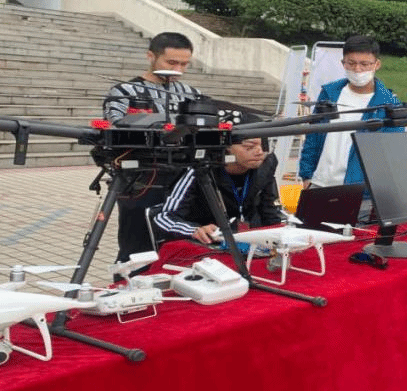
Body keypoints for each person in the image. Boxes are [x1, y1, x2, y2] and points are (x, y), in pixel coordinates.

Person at [101, 32, 204, 265]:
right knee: (137, 244)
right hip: (141, 179)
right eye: (171, 62)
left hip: (184, 177)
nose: (178, 69)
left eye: (184, 64)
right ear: (151, 56)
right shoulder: (125, 91)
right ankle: (128, 279)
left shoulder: (191, 93)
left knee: (181, 239)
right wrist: (162, 125)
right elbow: (116, 125)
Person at [298, 35, 403, 188]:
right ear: (343, 63)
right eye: (351, 63)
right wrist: (306, 175)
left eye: (364, 64)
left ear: (377, 64)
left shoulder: (389, 104)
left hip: (359, 189)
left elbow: (392, 153)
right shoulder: (329, 93)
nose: (357, 69)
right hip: (319, 182)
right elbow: (313, 135)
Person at [154, 136, 283, 244]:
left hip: (249, 240)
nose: (259, 152)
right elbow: (164, 217)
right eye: (249, 147)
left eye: (263, 146)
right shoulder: (200, 169)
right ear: (227, 147)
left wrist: (280, 233)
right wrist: (193, 230)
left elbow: (269, 209)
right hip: (208, 241)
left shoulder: (266, 165)